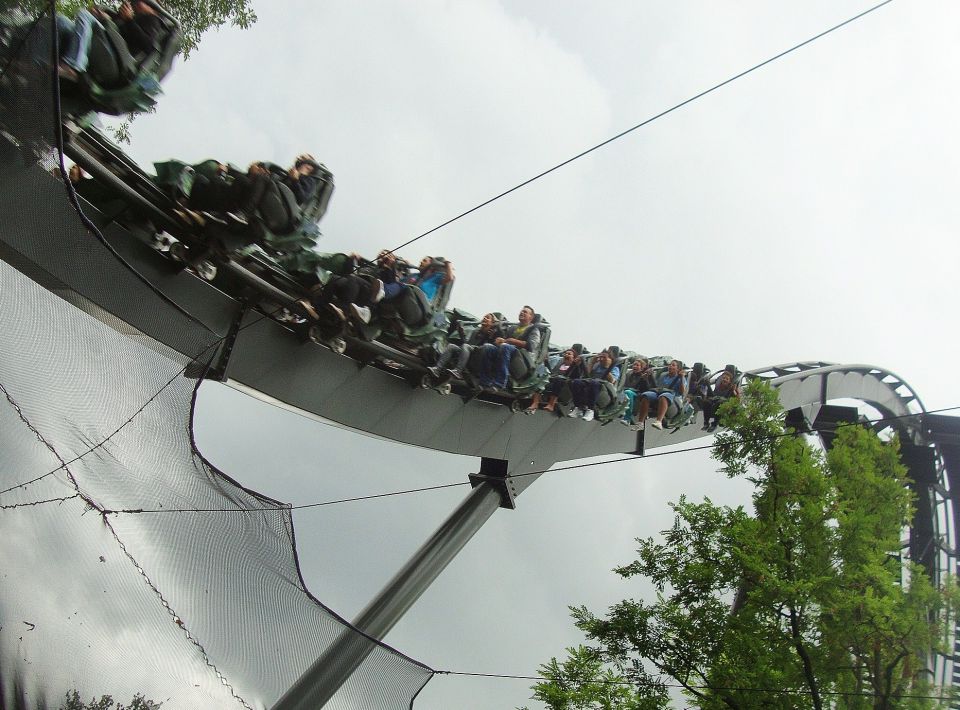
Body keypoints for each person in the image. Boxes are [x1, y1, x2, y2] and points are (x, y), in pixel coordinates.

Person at [478, 305, 540, 391]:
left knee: (505, 347)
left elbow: (531, 346)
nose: (522, 312)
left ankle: (500, 383)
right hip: (507, 350)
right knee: (488, 347)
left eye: (525, 312)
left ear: (531, 317)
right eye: (521, 311)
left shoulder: (534, 330)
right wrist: (499, 340)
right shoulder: (513, 328)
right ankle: (485, 381)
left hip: (522, 357)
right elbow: (505, 340)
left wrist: (512, 341)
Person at [428, 312, 499, 380]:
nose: (484, 318)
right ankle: (437, 369)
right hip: (469, 351)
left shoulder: (492, 334)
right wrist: (461, 333)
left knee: (466, 346)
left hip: (478, 355)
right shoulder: (476, 331)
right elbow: (466, 344)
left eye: (487, 318)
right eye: (484, 317)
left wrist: (490, 337)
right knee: (451, 346)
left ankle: (458, 371)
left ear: (492, 323)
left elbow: (489, 348)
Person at [525, 348, 585, 414]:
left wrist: (575, 365)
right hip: (554, 381)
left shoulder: (575, 367)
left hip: (565, 385)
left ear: (574, 358)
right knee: (542, 378)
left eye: (569, 354)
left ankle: (551, 404)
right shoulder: (560, 365)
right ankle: (535, 402)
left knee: (559, 379)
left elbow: (576, 376)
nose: (566, 355)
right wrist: (546, 362)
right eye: (565, 354)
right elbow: (552, 374)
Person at [634, 359, 687, 431]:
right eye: (670, 365)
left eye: (673, 365)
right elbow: (656, 387)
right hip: (659, 392)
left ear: (678, 369)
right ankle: (640, 423)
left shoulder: (681, 378)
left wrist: (681, 378)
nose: (670, 366)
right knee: (646, 395)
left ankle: (659, 421)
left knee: (664, 396)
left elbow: (682, 392)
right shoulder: (663, 376)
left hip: (673, 396)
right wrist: (647, 378)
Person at [568, 350, 620, 422]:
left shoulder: (615, 368)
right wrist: (592, 363)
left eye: (604, 357)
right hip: (592, 384)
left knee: (594, 383)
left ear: (610, 359)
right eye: (600, 357)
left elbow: (612, 381)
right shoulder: (597, 366)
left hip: (606, 390)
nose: (601, 359)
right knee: (576, 382)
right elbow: (586, 375)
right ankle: (578, 407)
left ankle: (590, 410)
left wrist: (607, 368)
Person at [620, 358, 657, 429]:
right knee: (626, 391)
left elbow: (649, 389)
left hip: (640, 394)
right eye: (634, 365)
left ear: (642, 367)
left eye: (637, 365)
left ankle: (627, 418)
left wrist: (644, 380)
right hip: (628, 390)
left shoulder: (646, 375)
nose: (635, 366)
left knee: (628, 392)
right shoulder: (629, 374)